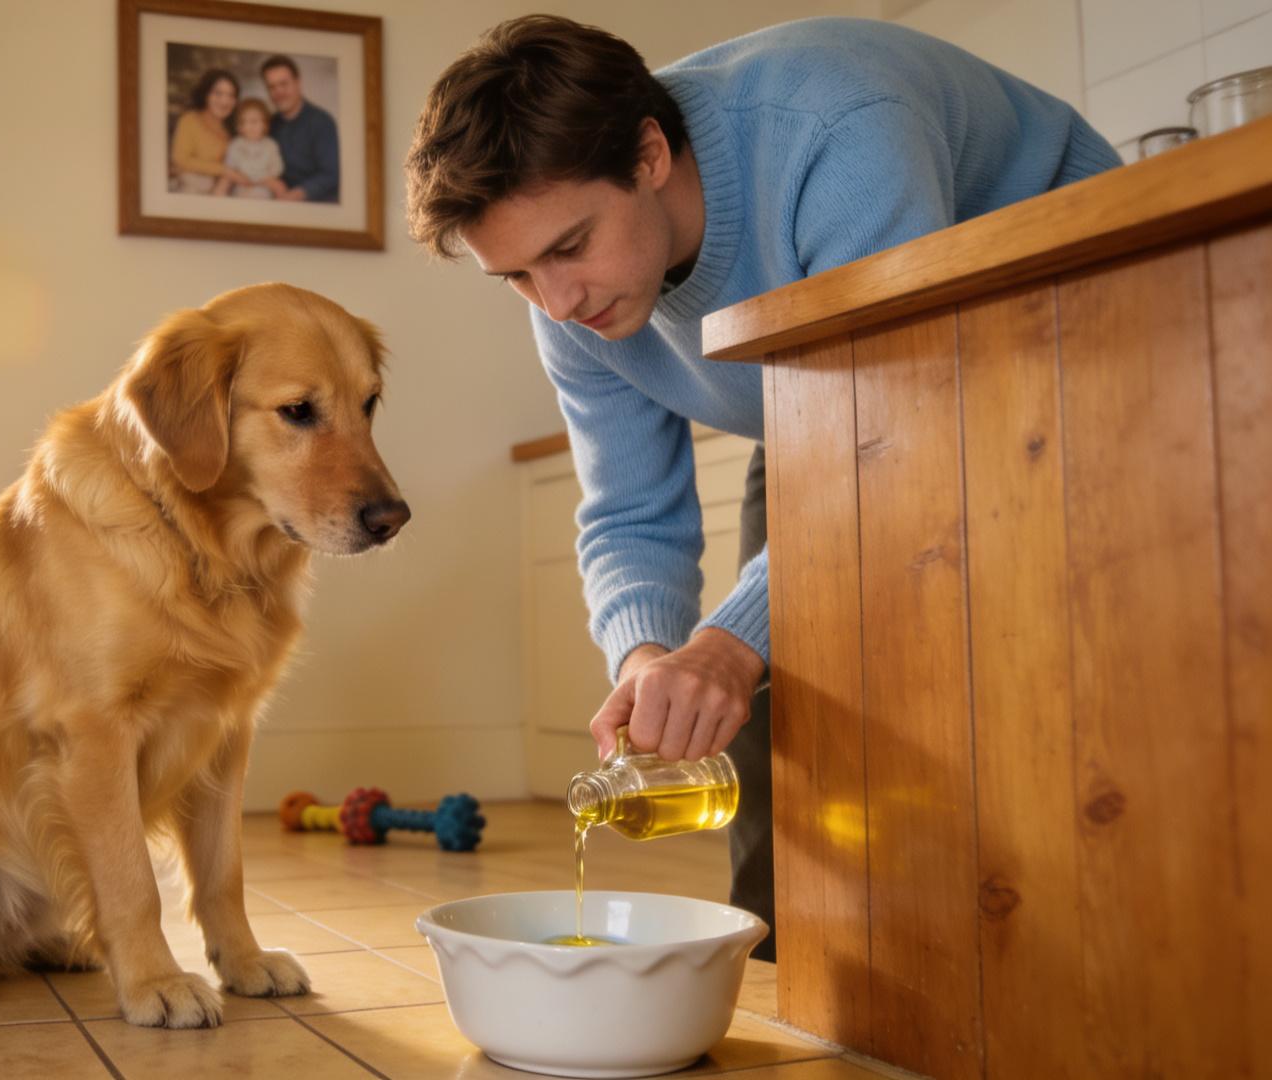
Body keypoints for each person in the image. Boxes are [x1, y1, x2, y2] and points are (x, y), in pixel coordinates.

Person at [404, 15, 1120, 962]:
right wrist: (648, 659)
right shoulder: (568, 305)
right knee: (767, 694)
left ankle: (1059, 946)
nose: (558, 303)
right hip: (837, 400)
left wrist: (729, 644)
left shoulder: (837, 133)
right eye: (518, 276)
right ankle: (793, 964)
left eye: (571, 246)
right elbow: (629, 510)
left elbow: (896, 441)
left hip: (1082, 312)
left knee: (991, 664)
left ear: (649, 154)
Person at [261, 55, 339, 202]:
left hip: (318, 205)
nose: (279, 92)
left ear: (298, 83)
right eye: (272, 87)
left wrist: (295, 195)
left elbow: (331, 174)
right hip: (278, 202)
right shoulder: (269, 124)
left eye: (284, 84)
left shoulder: (322, 122)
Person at [170, 68, 238, 195]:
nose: (225, 101)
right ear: (206, 94)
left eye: (231, 95)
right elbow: (180, 159)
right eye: (218, 93)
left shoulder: (232, 131)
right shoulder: (190, 120)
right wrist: (224, 170)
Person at [217, 98, 286, 199]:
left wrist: (264, 178)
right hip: (241, 183)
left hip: (264, 183)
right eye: (245, 122)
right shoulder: (236, 144)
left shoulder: (270, 144)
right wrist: (238, 176)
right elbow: (229, 165)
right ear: (240, 127)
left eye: (255, 121)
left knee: (280, 186)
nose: (251, 126)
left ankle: (280, 208)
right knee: (225, 180)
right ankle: (216, 205)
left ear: (265, 124)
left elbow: (277, 167)